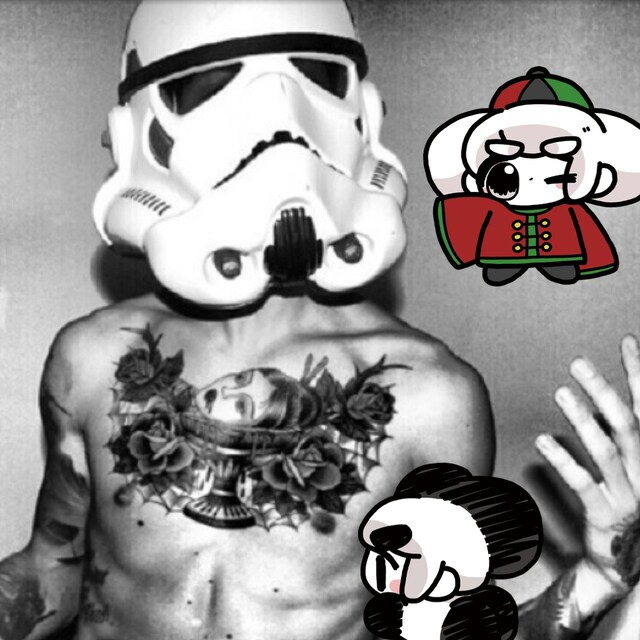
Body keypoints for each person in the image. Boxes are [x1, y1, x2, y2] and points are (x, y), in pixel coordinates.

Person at [0, 2, 637, 640]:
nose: (276, 127)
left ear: (360, 115)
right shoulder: (92, 356)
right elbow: (53, 568)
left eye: (313, 80)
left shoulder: (429, 394)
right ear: (143, 132)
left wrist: (599, 577)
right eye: (211, 88)